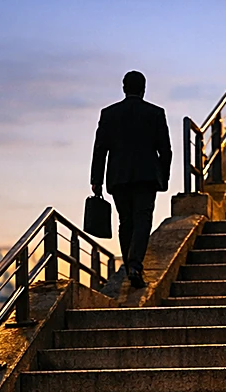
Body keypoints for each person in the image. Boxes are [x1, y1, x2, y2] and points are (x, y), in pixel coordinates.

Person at [91, 70, 173, 289]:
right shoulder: (155, 113)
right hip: (146, 177)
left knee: (125, 221)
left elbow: (100, 150)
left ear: (124, 87)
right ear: (143, 89)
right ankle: (135, 265)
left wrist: (96, 179)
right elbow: (165, 150)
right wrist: (163, 177)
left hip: (118, 177)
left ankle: (129, 266)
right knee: (142, 220)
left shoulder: (109, 114)